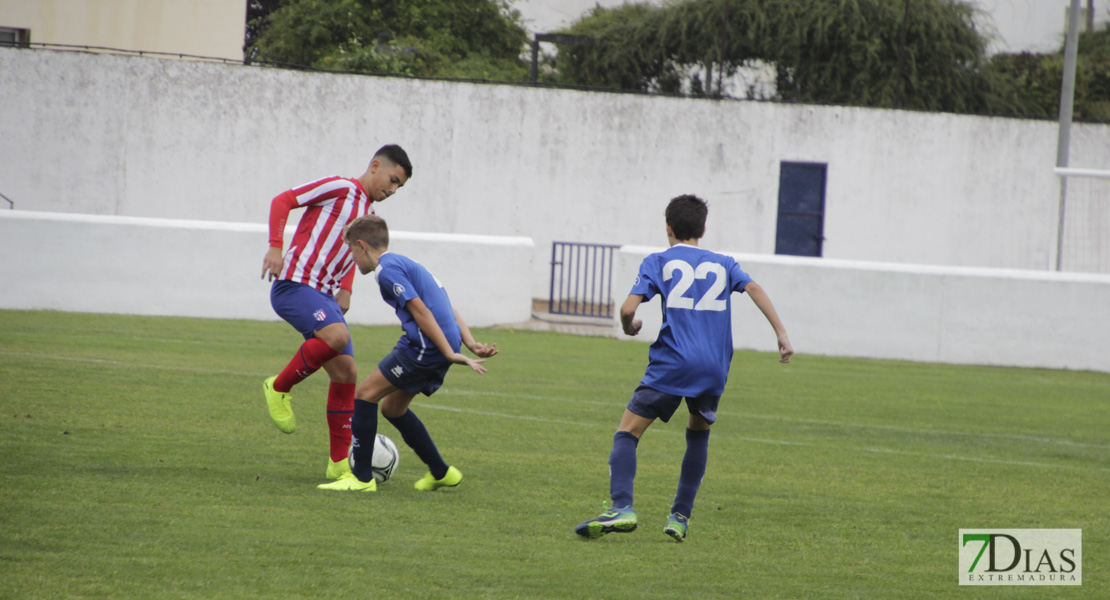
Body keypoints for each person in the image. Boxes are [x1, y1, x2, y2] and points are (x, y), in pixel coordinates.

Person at [574, 194, 793, 542]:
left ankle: (622, 506)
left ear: (668, 228)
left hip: (673, 363)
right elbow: (753, 287)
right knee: (698, 434)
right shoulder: (724, 263)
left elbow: (629, 308)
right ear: (703, 230)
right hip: (714, 367)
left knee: (627, 433)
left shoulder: (658, 261)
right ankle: (679, 517)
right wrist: (781, 333)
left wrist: (629, 326)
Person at [260, 145, 413, 482]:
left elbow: (351, 249)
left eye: (399, 186)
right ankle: (279, 387)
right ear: (375, 166)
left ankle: (338, 463)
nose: (393, 189)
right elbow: (282, 200)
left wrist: (347, 287)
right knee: (338, 336)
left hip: (325, 296)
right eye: (392, 180)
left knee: (346, 374)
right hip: (295, 283)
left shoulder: (366, 215)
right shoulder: (340, 188)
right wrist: (275, 246)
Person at [318, 214, 498, 492]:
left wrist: (450, 352)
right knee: (393, 408)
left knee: (364, 395)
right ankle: (441, 472)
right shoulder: (406, 263)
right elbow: (446, 306)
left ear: (362, 246)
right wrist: (469, 343)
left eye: (352, 251)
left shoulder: (387, 271)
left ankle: (362, 479)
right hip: (439, 344)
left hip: (425, 347)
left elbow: (421, 311)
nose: (353, 260)